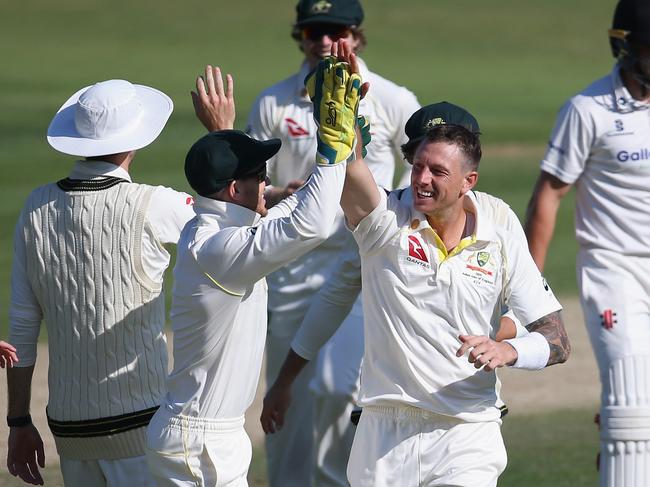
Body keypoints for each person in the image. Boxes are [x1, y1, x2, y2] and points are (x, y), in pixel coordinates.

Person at [261, 103, 526, 486]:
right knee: (331, 391)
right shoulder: (384, 223)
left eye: (442, 160)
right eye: (421, 158)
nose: (425, 176)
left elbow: (531, 311)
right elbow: (334, 298)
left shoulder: (497, 218)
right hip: (391, 427)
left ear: (468, 169)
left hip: (467, 418)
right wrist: (286, 380)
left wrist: (485, 335)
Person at [144, 41, 364, 486]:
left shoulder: (215, 228)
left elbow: (294, 210)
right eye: (259, 175)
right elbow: (312, 224)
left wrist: (354, 129)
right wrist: (331, 145)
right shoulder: (219, 250)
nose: (268, 181)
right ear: (232, 190)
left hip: (208, 437)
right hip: (199, 443)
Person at [329, 101, 568, 486]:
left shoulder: (499, 233)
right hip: (384, 433)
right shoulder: (384, 222)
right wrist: (342, 146)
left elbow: (557, 338)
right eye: (418, 166)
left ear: (468, 181)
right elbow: (352, 175)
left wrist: (510, 351)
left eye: (438, 171)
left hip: (467, 430)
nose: (422, 179)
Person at [247, 1, 420, 484]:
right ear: (299, 36)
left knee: (343, 388)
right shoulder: (274, 103)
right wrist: (283, 194)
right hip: (292, 269)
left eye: (334, 30)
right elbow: (249, 186)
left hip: (363, 269)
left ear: (356, 34)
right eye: (313, 31)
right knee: (290, 398)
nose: (323, 40)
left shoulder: (390, 97)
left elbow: (420, 174)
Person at [5, 75, 204, 486]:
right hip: (142, 426)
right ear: (134, 141)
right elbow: (229, 226)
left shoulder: (35, 206)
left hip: (70, 428)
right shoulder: (153, 203)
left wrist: (18, 420)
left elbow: (23, 328)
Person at [524, 1, 650, 485]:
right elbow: (548, 196)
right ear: (625, 47)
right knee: (630, 393)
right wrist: (527, 293)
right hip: (614, 270)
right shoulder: (588, 110)